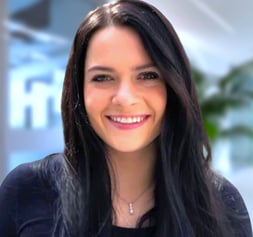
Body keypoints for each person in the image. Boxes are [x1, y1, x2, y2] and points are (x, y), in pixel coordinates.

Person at [0, 0, 252, 236]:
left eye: (147, 76)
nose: (124, 98)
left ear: (173, 86)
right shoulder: (26, 191)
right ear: (79, 90)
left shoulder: (219, 204)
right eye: (102, 77)